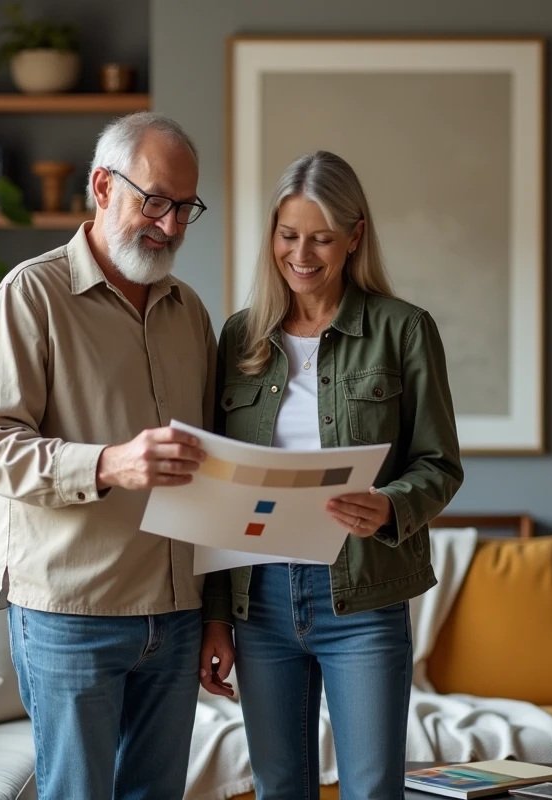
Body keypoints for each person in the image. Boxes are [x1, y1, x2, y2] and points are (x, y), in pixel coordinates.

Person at [0, 112, 216, 800]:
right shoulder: (30, 294)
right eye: (155, 201)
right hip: (70, 613)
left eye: (185, 207)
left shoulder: (189, 311)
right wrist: (107, 465)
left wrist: (215, 609)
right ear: (103, 187)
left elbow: (211, 464)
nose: (171, 225)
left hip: (176, 612)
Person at [199, 150, 464, 799]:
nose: (302, 254)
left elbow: (440, 464)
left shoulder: (404, 330)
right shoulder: (239, 338)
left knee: (372, 789)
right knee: (278, 787)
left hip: (364, 597)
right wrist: (216, 618)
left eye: (320, 238)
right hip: (259, 599)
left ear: (354, 236)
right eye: (288, 235)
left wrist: (391, 504)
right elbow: (219, 490)